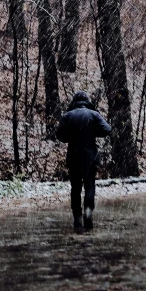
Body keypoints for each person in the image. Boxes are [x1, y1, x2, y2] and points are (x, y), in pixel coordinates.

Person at [56, 91, 111, 233]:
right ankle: (88, 212)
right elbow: (107, 129)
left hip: (74, 157)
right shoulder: (93, 114)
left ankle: (77, 217)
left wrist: (71, 137)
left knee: (75, 188)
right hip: (90, 157)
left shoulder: (67, 116)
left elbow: (59, 135)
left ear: (74, 101)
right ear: (87, 101)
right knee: (89, 186)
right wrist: (92, 133)